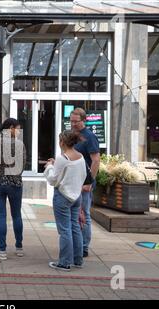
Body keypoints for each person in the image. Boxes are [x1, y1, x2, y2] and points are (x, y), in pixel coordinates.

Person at [44, 130, 87, 272]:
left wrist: (50, 166)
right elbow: (82, 175)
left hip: (62, 196)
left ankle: (64, 262)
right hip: (76, 196)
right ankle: (78, 260)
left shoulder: (63, 158)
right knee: (75, 226)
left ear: (62, 142)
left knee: (64, 230)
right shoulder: (80, 157)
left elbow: (52, 179)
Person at [0, 118, 26, 260]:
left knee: (0, 216)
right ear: (10, 128)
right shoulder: (19, 144)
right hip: (15, 183)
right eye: (17, 128)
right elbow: (22, 165)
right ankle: (19, 247)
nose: (18, 131)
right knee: (16, 215)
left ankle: (2, 250)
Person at [70, 107, 100, 258]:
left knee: (84, 214)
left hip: (84, 183)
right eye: (71, 121)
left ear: (84, 120)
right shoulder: (74, 135)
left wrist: (90, 182)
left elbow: (96, 160)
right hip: (73, 183)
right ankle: (77, 244)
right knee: (75, 214)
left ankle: (83, 247)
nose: (73, 124)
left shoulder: (89, 137)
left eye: (76, 122)